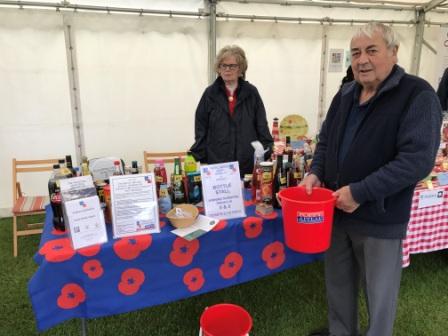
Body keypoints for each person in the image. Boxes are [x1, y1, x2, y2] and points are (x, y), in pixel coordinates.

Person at [302, 22, 442, 336]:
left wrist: (361, 192)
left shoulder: (417, 95)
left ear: (393, 52)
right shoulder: (347, 93)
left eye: (371, 50)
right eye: (355, 53)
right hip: (337, 213)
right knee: (338, 285)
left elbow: (417, 161)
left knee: (379, 297)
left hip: (380, 219)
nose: (361, 59)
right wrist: (315, 173)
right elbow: (325, 142)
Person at [189, 45, 273, 176]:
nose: (227, 69)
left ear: (240, 68)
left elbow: (261, 125)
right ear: (219, 68)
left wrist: (267, 150)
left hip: (247, 163)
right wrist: (201, 155)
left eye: (232, 66)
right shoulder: (210, 93)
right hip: (217, 163)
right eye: (223, 65)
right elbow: (201, 128)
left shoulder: (251, 92)